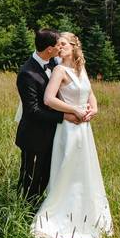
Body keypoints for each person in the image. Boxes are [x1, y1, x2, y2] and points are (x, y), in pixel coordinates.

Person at [31, 32, 113, 238]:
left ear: (75, 46)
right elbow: (49, 100)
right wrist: (74, 109)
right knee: (68, 171)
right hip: (68, 128)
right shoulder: (59, 70)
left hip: (84, 130)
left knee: (84, 171)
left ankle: (87, 215)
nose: (59, 47)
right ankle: (60, 218)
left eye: (64, 44)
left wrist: (93, 108)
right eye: (57, 45)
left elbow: (89, 92)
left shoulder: (80, 68)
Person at [14, 29, 82, 203]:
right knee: (30, 177)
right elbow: (32, 111)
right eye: (58, 45)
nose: (61, 47)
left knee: (45, 175)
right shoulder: (27, 73)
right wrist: (64, 116)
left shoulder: (54, 63)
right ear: (50, 49)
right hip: (34, 135)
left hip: (54, 133)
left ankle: (38, 207)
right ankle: (23, 210)